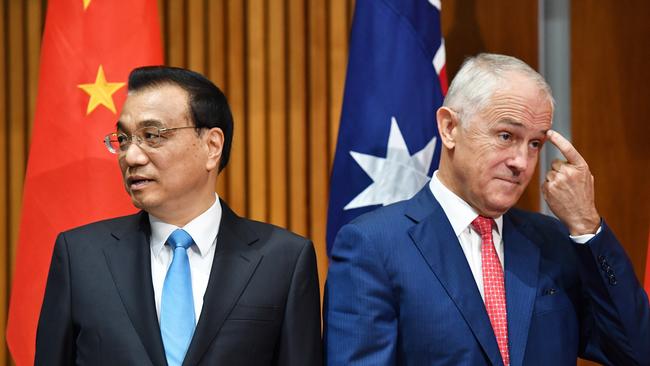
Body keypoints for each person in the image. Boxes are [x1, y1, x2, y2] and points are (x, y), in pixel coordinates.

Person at [323, 53, 649, 365]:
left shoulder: (554, 242)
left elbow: (636, 352)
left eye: (535, 144)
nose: (522, 162)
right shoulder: (374, 246)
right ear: (450, 128)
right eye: (506, 136)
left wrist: (586, 225)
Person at [36, 66, 322, 366]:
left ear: (212, 146)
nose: (131, 157)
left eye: (152, 135)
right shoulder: (80, 257)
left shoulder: (283, 260)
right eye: (123, 139)